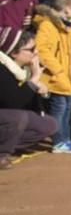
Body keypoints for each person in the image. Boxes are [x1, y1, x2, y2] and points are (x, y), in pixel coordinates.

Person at [0, 29, 57, 169]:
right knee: (17, 117)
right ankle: (2, 154)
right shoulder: (2, 70)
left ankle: (8, 145)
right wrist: (33, 81)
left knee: (49, 124)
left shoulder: (22, 70)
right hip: (8, 114)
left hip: (7, 115)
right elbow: (14, 102)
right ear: (14, 52)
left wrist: (39, 91)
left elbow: (30, 107)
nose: (35, 53)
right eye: (31, 49)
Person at [35, 0, 71, 153]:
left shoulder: (70, 24)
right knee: (59, 109)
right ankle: (58, 141)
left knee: (68, 107)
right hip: (56, 75)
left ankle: (66, 138)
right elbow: (42, 50)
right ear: (68, 8)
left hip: (69, 73)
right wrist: (58, 69)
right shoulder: (47, 25)